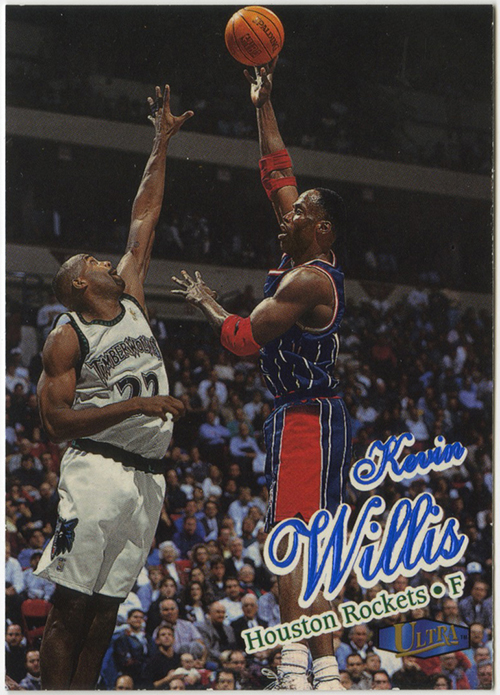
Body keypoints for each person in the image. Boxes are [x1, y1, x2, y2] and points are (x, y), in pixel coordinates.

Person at [172, 57, 351, 690]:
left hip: (306, 416)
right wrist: (262, 102)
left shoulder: (309, 280)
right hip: (304, 414)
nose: (286, 213)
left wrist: (207, 304)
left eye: (298, 213)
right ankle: (323, 668)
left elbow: (244, 340)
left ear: (320, 229)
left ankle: (296, 665)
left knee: (291, 540)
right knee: (307, 541)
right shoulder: (300, 252)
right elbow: (277, 168)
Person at [32, 83, 192, 690]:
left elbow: (144, 214)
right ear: (78, 284)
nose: (104, 261)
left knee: (105, 612)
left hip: (147, 476)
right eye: (92, 263)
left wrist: (160, 142)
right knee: (71, 606)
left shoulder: (131, 296)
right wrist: (138, 404)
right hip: (96, 469)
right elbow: (55, 424)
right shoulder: (66, 337)